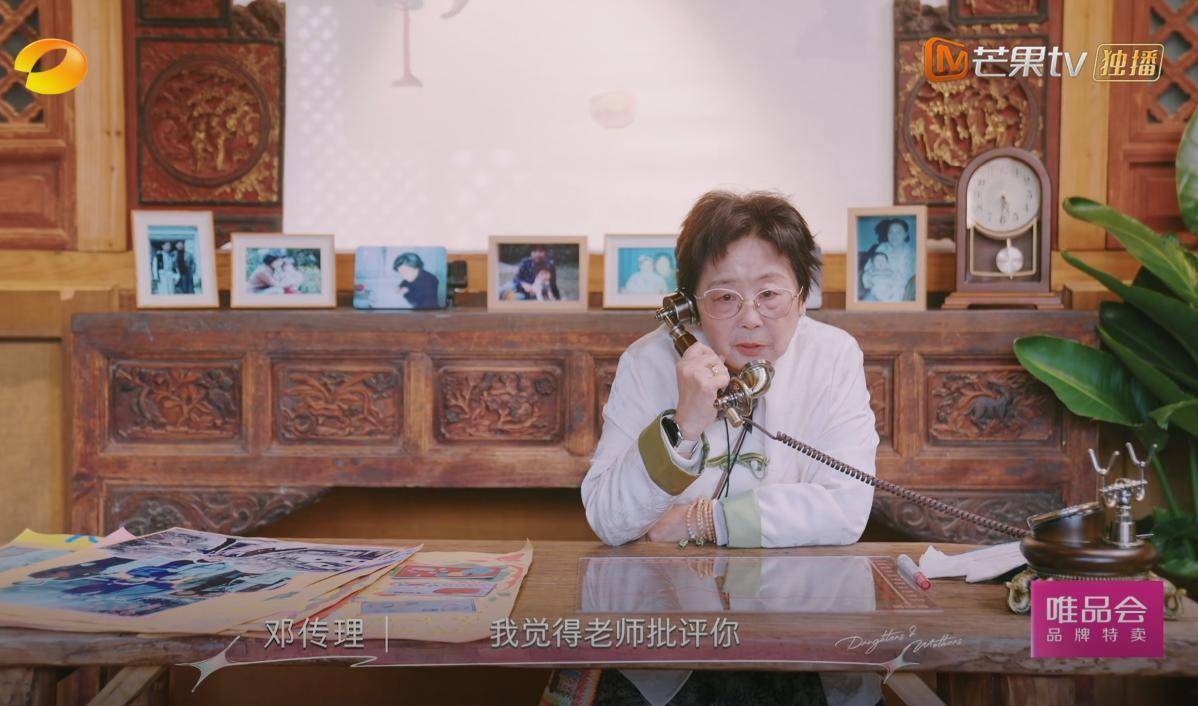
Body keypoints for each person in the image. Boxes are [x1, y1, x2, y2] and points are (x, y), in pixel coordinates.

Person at [581, 190, 880, 706]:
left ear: (802, 296)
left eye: (770, 294)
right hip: (670, 642)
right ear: (690, 305)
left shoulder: (833, 357)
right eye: (724, 297)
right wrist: (685, 423)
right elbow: (608, 518)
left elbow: (846, 506)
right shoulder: (648, 362)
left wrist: (702, 521)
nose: (750, 318)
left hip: (802, 633)